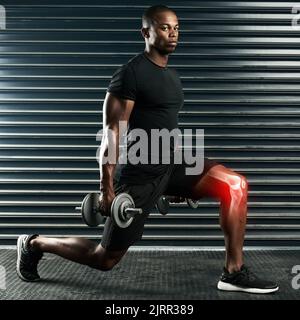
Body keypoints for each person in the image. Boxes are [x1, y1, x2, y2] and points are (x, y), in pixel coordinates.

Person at [16, 5, 279, 294]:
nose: (174, 33)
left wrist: (180, 175)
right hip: (140, 171)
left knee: (235, 185)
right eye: (165, 27)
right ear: (146, 32)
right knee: (104, 258)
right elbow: (112, 132)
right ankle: (33, 243)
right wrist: (106, 186)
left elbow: (167, 126)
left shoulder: (173, 77)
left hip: (172, 162)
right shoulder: (129, 74)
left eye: (177, 28)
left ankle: (233, 273)